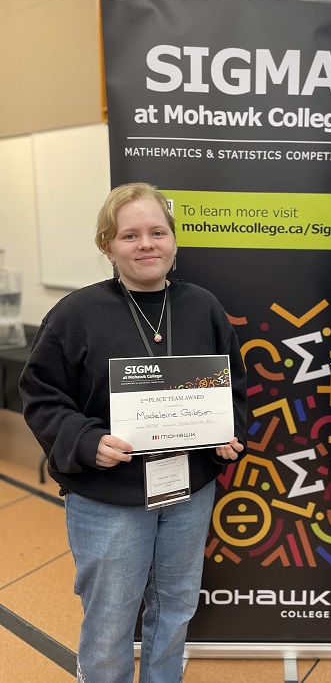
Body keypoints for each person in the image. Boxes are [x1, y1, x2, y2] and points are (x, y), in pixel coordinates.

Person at [19, 182, 247, 683]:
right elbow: (40, 395)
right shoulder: (76, 314)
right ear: (107, 245)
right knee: (110, 622)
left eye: (157, 232)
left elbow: (233, 389)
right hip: (108, 498)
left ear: (173, 240)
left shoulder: (203, 306)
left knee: (176, 609)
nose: (147, 244)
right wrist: (85, 441)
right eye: (130, 235)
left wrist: (227, 434)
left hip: (188, 492)